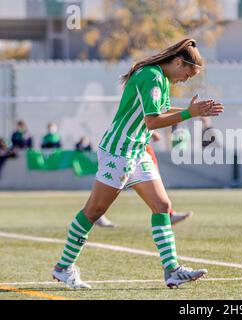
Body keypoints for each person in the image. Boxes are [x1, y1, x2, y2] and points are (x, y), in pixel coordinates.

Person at [51, 38, 224, 289]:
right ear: (177, 62)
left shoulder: (160, 78)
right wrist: (190, 113)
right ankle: (63, 268)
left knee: (162, 205)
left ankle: (172, 270)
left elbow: (161, 110)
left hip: (137, 150)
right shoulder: (152, 77)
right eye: (187, 73)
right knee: (94, 211)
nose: (186, 79)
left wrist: (191, 110)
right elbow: (153, 121)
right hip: (119, 151)